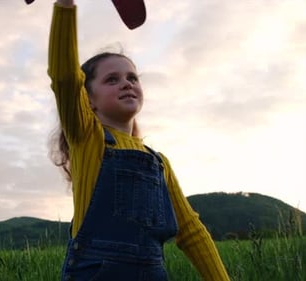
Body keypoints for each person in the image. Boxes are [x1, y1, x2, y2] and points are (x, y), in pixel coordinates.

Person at [47, 1, 231, 280]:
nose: (127, 83)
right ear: (88, 99)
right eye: (112, 79)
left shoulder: (159, 163)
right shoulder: (88, 140)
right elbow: (64, 77)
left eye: (132, 77)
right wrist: (65, 6)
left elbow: (192, 232)